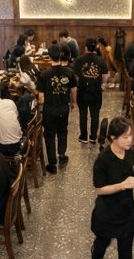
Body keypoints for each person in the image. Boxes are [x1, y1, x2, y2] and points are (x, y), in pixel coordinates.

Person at [90, 117, 134, 259]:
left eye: (131, 135)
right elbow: (99, 189)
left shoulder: (133, 152)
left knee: (126, 253)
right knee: (103, 240)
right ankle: (97, 256)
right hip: (107, 212)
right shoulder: (103, 160)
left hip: (127, 210)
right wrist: (121, 185)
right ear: (113, 137)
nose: (130, 140)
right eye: (125, 137)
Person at [36, 43, 77, 174]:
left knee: (49, 135)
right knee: (62, 132)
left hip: (49, 109)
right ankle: (62, 156)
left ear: (49, 57)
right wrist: (73, 102)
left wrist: (39, 103)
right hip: (63, 107)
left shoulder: (44, 74)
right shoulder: (69, 72)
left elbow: (41, 98)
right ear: (61, 55)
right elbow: (73, 89)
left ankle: (52, 164)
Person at [73, 35, 109, 144]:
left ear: (86, 47)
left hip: (83, 90)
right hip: (96, 91)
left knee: (83, 114)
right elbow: (105, 75)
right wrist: (103, 85)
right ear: (96, 46)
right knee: (95, 114)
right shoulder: (101, 60)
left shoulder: (79, 60)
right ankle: (93, 137)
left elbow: (76, 77)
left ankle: (84, 136)